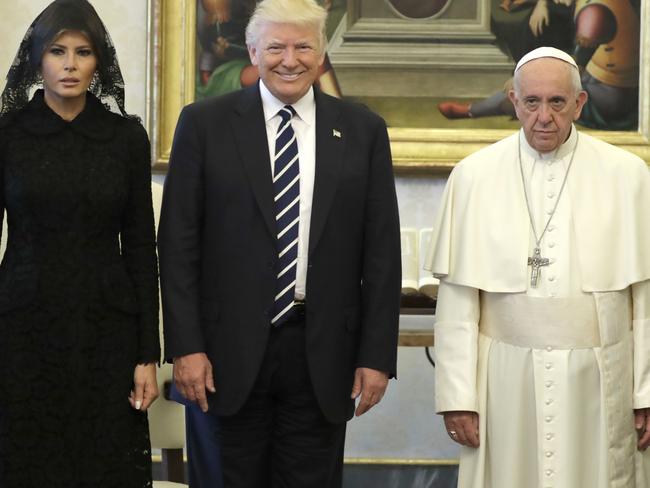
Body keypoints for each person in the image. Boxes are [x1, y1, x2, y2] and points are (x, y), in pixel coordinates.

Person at [158, 0, 401, 486]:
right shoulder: (204, 124)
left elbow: (381, 254)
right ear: (252, 50)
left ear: (322, 52)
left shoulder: (362, 130)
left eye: (303, 46)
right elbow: (177, 247)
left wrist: (377, 356)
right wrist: (186, 347)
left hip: (323, 355)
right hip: (221, 359)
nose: (289, 59)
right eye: (275, 47)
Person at [425, 46, 650, 487]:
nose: (543, 117)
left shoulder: (629, 176)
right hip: (504, 383)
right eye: (531, 102)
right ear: (513, 101)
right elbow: (458, 304)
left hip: (601, 378)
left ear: (579, 104)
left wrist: (647, 391)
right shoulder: (473, 176)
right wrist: (457, 396)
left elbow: (644, 300)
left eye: (557, 102)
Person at [0, 1, 160, 486]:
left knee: (103, 466)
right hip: (22, 327)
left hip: (107, 331)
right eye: (57, 51)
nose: (69, 65)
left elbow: (139, 248)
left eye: (83, 52)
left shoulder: (125, 138)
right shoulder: (7, 134)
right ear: (36, 59)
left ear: (99, 63)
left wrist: (147, 355)